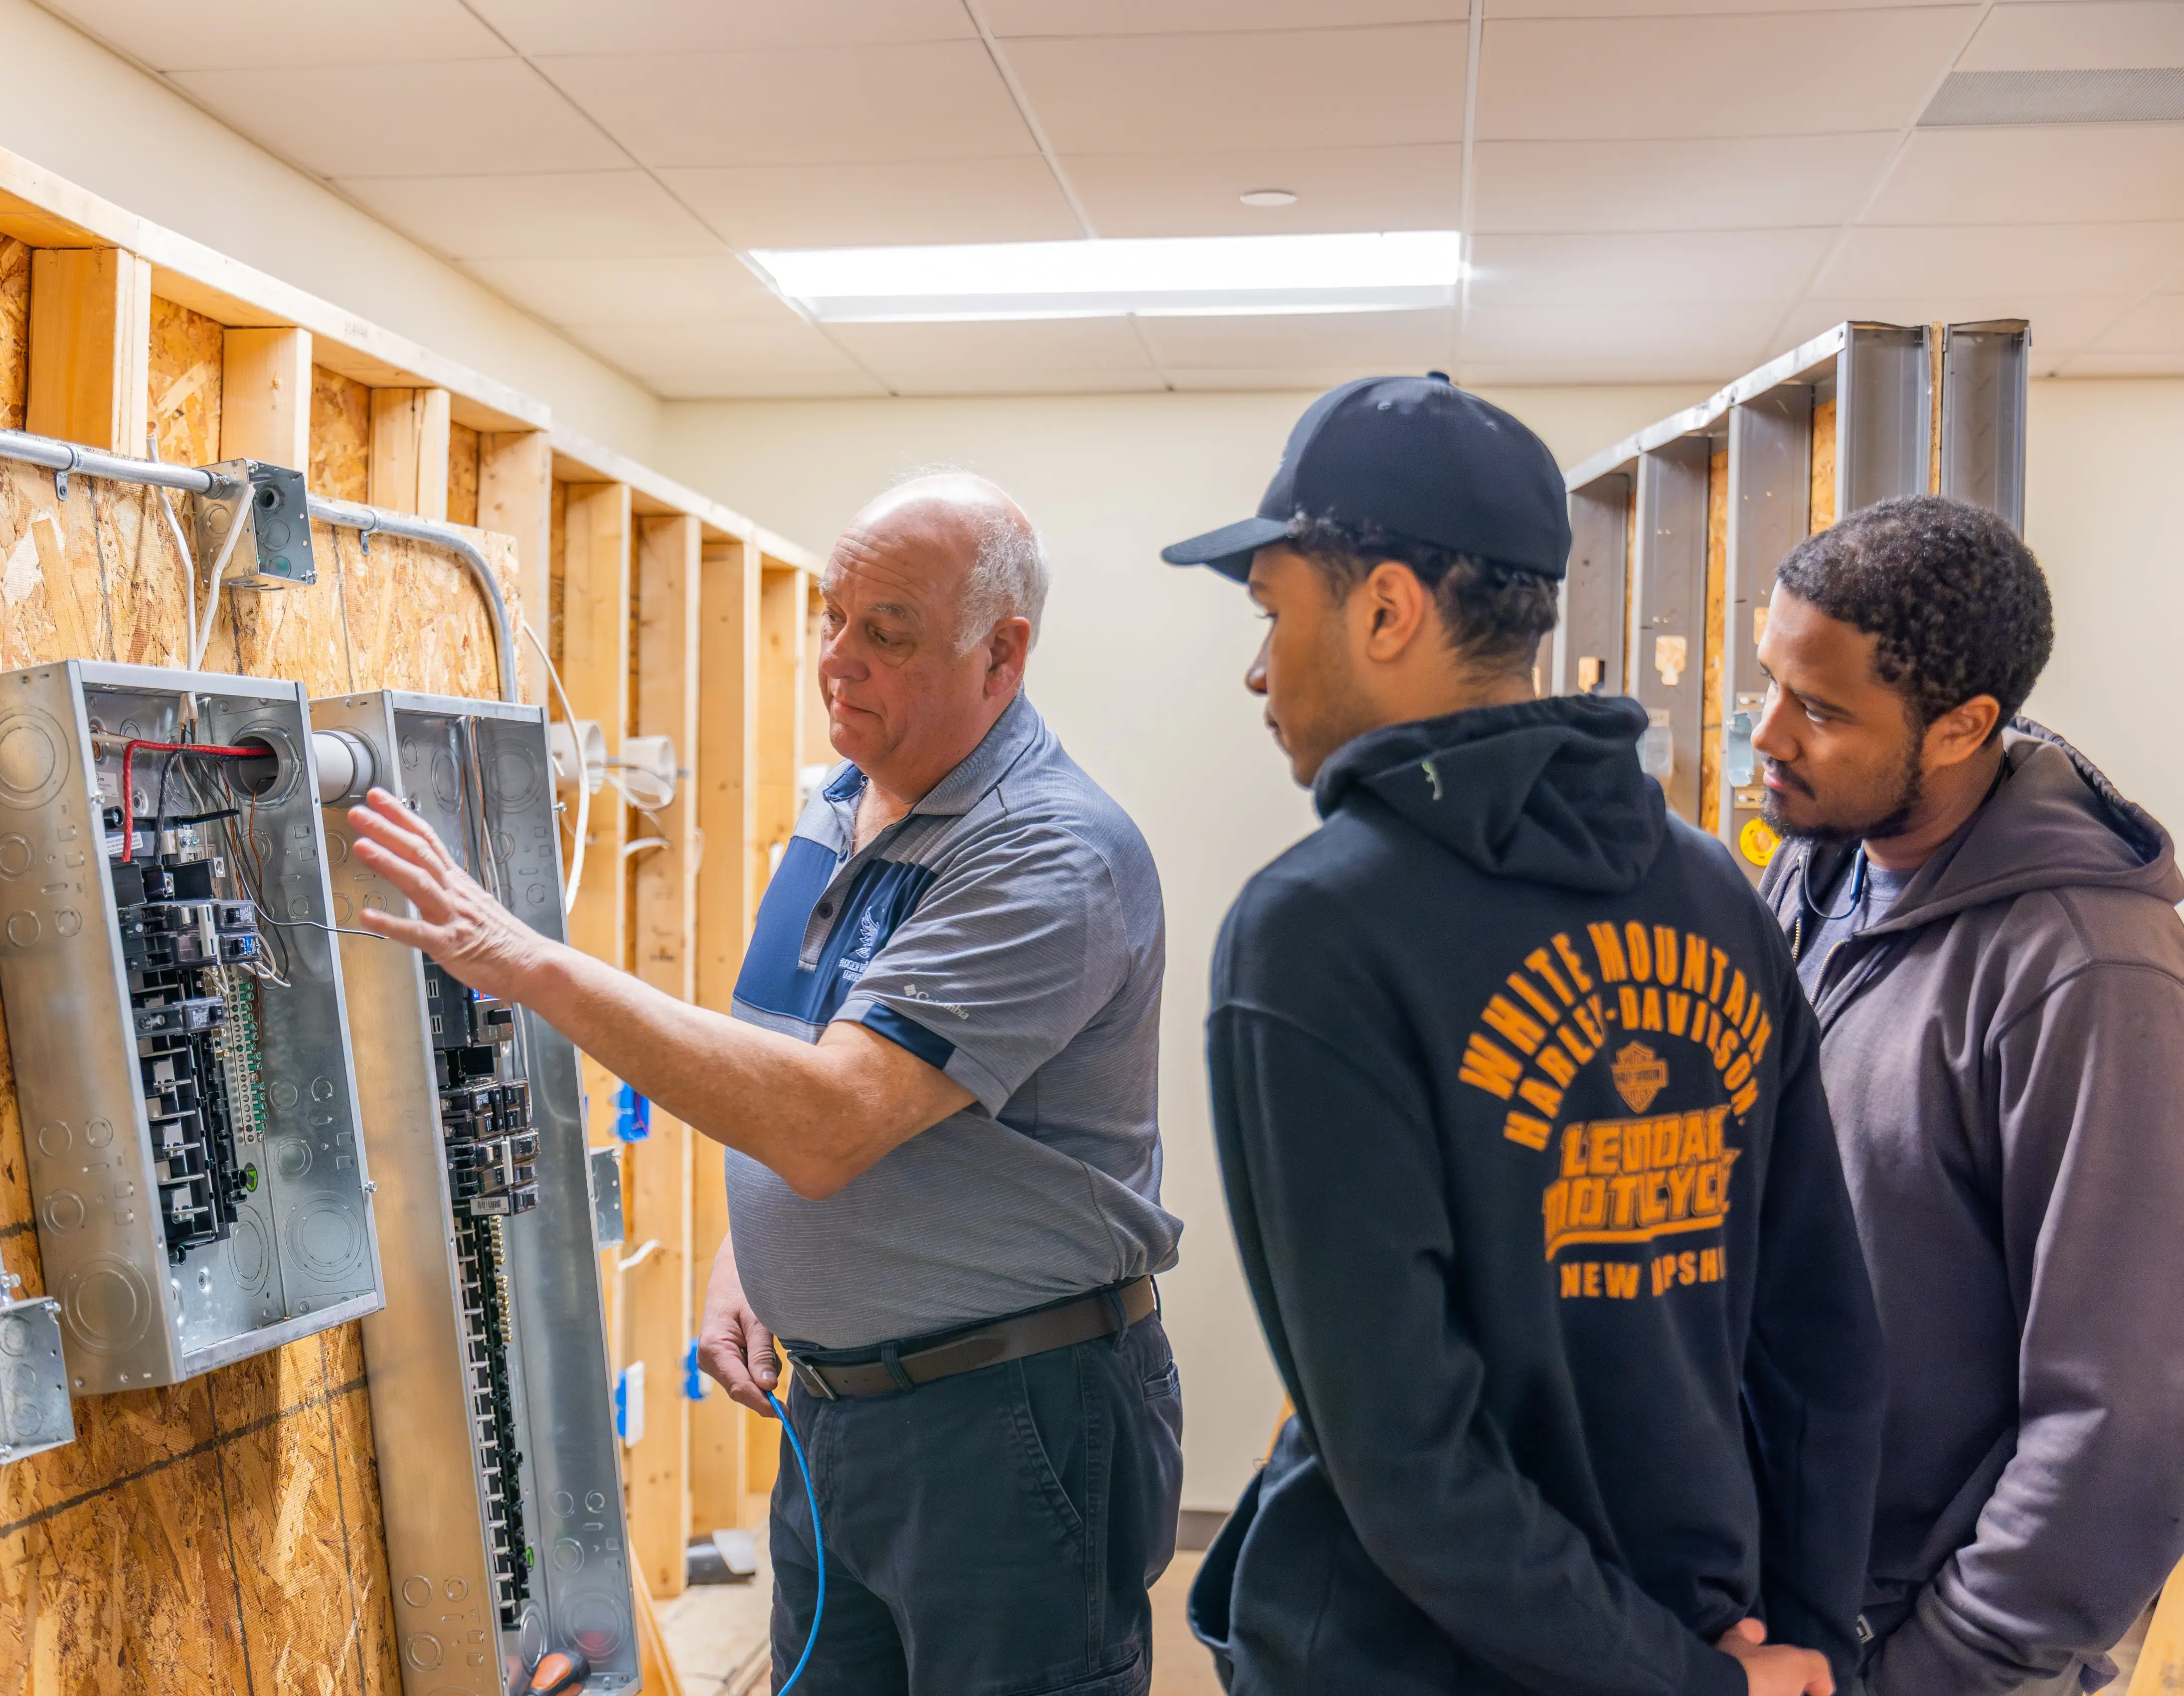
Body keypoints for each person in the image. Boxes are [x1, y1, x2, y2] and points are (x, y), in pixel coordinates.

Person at [347, 472, 1184, 1696]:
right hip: (842, 1413)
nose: (837, 660)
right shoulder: (842, 806)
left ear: (1001, 656)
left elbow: (834, 1117)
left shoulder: (1050, 855)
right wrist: (760, 1255)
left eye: (885, 633)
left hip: (1011, 1420)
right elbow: (791, 1061)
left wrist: (533, 967)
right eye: (833, 618)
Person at [1165, 376, 1886, 1696]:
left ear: (1385, 608)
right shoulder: (1711, 889)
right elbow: (1821, 1339)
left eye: (1273, 613)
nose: (1258, 668)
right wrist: (1798, 1648)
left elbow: (1405, 1455)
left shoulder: (1314, 931)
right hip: (1693, 1617)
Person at [1751, 495, 2184, 1696]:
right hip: (1779, 1611)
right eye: (1771, 684)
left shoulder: (2087, 973)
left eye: (1822, 710)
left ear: (1961, 728)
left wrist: (1945, 1668)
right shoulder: (1815, 870)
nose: (1768, 736)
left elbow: (2127, 1415)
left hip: (1915, 1643)